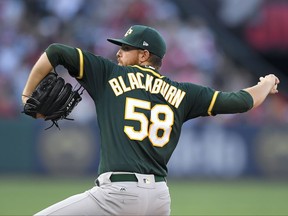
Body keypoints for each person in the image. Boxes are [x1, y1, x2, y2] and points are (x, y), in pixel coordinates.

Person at [22, 25, 279, 216]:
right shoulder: (185, 93)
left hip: (117, 195)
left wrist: (26, 96)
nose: (119, 53)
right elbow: (242, 101)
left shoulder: (109, 74)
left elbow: (55, 51)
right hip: (158, 199)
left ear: (144, 55)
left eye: (125, 48)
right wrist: (266, 84)